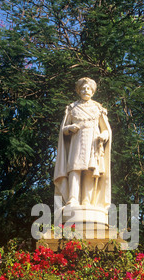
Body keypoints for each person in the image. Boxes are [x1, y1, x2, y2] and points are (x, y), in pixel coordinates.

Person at [54, 77, 111, 211]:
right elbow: (63, 129)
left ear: (93, 91)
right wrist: (69, 129)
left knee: (90, 171)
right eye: (83, 88)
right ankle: (72, 198)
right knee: (75, 169)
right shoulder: (72, 108)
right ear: (79, 91)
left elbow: (106, 130)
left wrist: (103, 136)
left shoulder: (98, 108)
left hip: (93, 142)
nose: (86, 90)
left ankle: (87, 200)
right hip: (76, 142)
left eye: (88, 88)